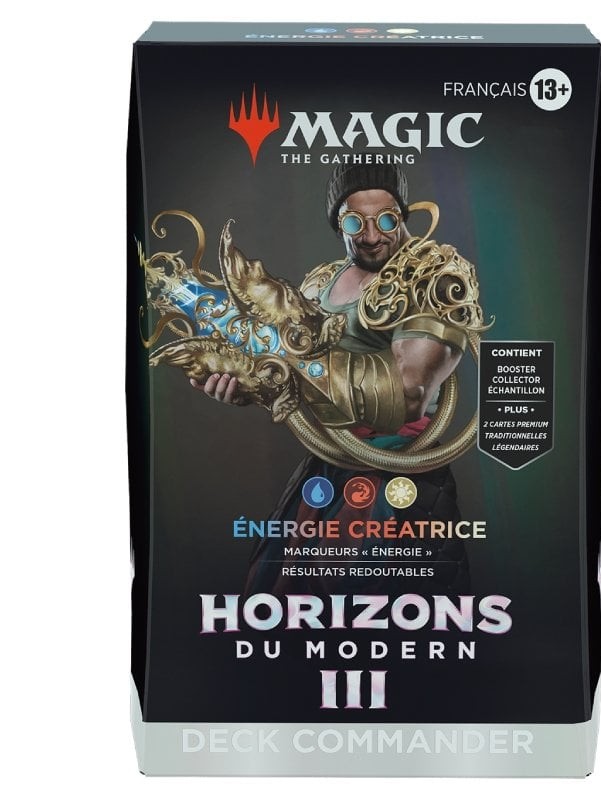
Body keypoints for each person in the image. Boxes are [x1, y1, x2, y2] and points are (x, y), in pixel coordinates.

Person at [190, 163, 471, 594]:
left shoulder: (436, 278)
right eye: (355, 222)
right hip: (329, 463)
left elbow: (407, 393)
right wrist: (242, 382)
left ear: (404, 216)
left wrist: (286, 371)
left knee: (378, 603)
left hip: (399, 473)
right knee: (281, 598)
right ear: (339, 224)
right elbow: (282, 368)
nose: (372, 236)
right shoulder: (321, 282)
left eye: (386, 220)